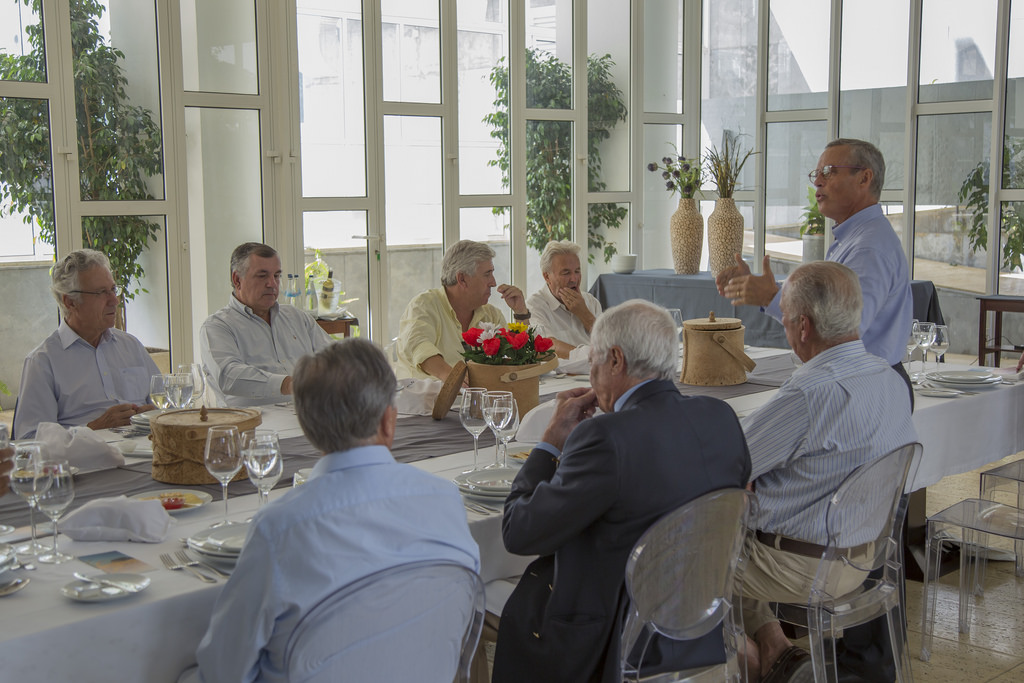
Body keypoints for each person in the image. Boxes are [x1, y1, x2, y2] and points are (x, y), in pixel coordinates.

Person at [187, 339, 480, 683]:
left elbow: (224, 670)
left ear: (309, 430)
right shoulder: (445, 499)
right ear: (389, 421)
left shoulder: (279, 528)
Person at [492, 299, 751, 683]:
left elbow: (519, 532)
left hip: (615, 635)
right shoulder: (721, 417)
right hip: (698, 622)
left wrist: (549, 443)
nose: (592, 372)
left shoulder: (604, 438)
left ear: (616, 360)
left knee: (481, 591)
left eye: (593, 360)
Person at [736, 262, 917, 681]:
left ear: (803, 327)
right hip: (866, 557)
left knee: (686, 543)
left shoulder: (808, 393)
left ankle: (737, 662)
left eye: (783, 321)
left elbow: (729, 464)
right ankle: (778, 653)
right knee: (731, 531)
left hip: (803, 567)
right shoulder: (892, 382)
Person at [716, 138, 914, 393]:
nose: (818, 181)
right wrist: (766, 290)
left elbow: (843, 334)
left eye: (829, 172)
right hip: (861, 381)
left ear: (864, 179)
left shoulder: (867, 248)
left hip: (865, 386)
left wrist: (773, 297)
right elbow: (826, 306)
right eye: (816, 174)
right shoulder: (854, 237)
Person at [13, 249, 158, 439]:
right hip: (88, 467)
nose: (114, 301)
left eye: (113, 289)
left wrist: (154, 415)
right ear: (70, 302)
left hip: (149, 459)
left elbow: (168, 406)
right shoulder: (43, 361)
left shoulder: (131, 346)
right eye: (101, 293)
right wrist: (93, 429)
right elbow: (29, 441)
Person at [200, 242, 332, 407]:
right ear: (237, 279)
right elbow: (228, 376)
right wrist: (290, 384)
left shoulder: (296, 317)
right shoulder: (217, 326)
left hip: (310, 419)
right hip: (252, 426)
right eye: (262, 276)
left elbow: (335, 358)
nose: (272, 284)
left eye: (276, 276)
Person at [395, 240, 530, 381]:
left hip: (476, 399)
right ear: (462, 279)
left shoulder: (491, 314)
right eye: (487, 274)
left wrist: (520, 312)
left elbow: (518, 358)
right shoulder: (424, 305)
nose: (493, 282)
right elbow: (418, 345)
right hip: (426, 400)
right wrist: (452, 377)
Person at [526, 240, 602, 358]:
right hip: (561, 374)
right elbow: (547, 346)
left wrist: (584, 314)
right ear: (547, 276)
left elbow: (608, 341)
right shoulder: (534, 305)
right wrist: (591, 357)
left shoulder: (590, 301)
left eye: (577, 271)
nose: (574, 279)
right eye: (566, 273)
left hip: (595, 371)